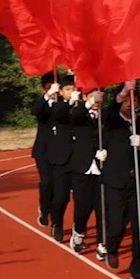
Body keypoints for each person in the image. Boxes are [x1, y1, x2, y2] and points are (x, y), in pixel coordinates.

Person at [103, 82, 140, 279]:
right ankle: (112, 248)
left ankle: (137, 264)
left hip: (138, 181)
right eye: (126, 100)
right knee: (117, 224)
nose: (130, 104)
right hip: (116, 180)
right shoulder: (112, 121)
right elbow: (109, 110)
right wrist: (120, 94)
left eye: (134, 99)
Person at [66, 87, 105, 253]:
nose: (96, 101)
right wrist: (88, 103)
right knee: (83, 207)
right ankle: (79, 233)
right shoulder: (79, 114)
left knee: (103, 206)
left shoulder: (107, 116)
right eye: (92, 96)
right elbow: (72, 116)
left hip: (102, 167)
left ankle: (103, 243)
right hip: (82, 168)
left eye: (99, 97)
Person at [46, 75, 77, 242]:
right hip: (61, 159)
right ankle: (57, 223)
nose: (72, 93)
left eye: (74, 89)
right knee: (61, 196)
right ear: (62, 91)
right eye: (68, 90)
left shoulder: (83, 105)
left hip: (80, 158)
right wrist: (69, 102)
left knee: (84, 198)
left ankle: (80, 231)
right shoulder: (57, 106)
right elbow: (57, 114)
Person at [30, 75, 56, 225]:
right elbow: (35, 110)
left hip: (62, 151)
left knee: (59, 186)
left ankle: (56, 214)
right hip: (43, 151)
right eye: (48, 88)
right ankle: (45, 209)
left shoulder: (65, 103)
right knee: (46, 182)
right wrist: (47, 95)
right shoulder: (42, 105)